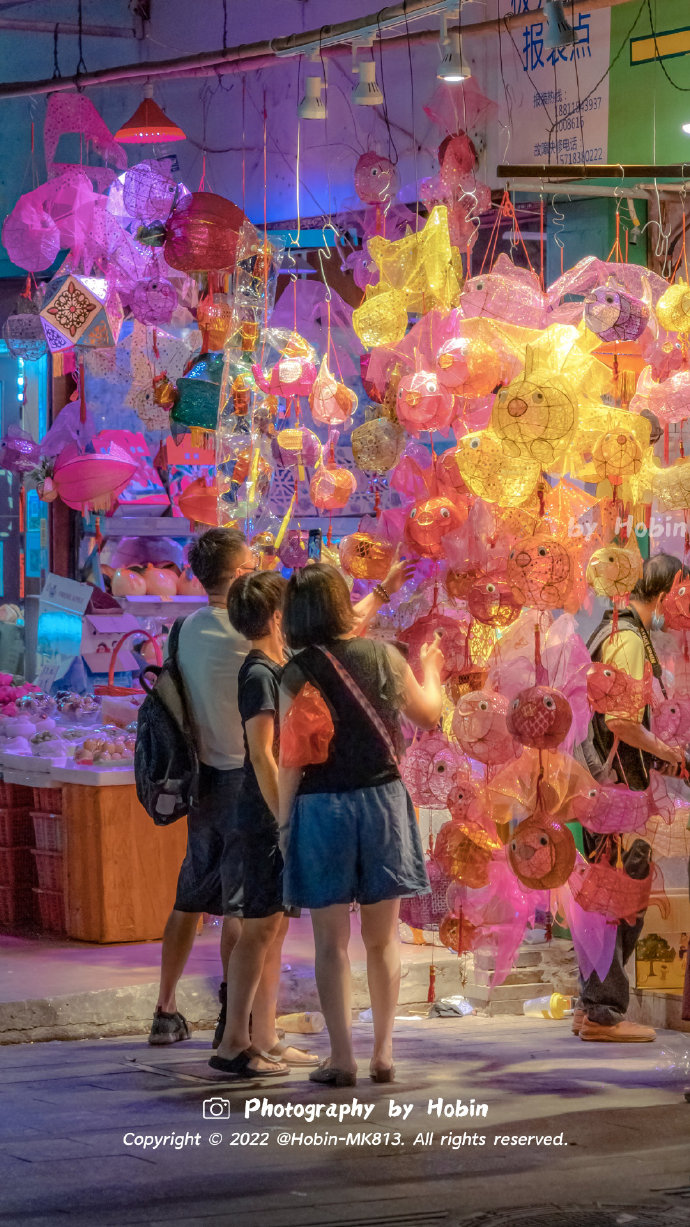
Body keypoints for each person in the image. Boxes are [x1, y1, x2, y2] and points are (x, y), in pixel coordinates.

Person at [278, 563, 444, 1086]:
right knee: (382, 937)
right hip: (383, 803)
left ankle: (342, 1057)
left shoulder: (294, 671)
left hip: (320, 806)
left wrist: (282, 825)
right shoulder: (385, 656)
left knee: (330, 943)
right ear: (340, 604)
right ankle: (384, 1053)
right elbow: (429, 715)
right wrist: (433, 669)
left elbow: (291, 759)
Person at [148, 527, 258, 1046]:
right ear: (237, 575)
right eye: (253, 567)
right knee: (240, 903)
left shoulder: (183, 629)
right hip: (243, 777)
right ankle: (233, 1018)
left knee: (189, 897)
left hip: (200, 778)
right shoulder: (249, 636)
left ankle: (165, 1010)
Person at [209, 571, 319, 1077]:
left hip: (275, 812)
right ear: (276, 617)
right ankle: (234, 1042)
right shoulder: (258, 674)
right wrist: (283, 821)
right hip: (262, 816)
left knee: (273, 930)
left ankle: (265, 1036)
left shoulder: (276, 666)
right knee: (257, 931)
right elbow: (261, 754)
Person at [574, 552, 685, 1044]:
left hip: (604, 787)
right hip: (619, 790)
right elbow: (622, 722)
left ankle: (590, 1008)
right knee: (621, 898)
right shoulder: (629, 640)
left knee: (602, 895)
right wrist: (668, 751)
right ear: (667, 592)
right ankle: (604, 1013)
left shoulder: (609, 631)